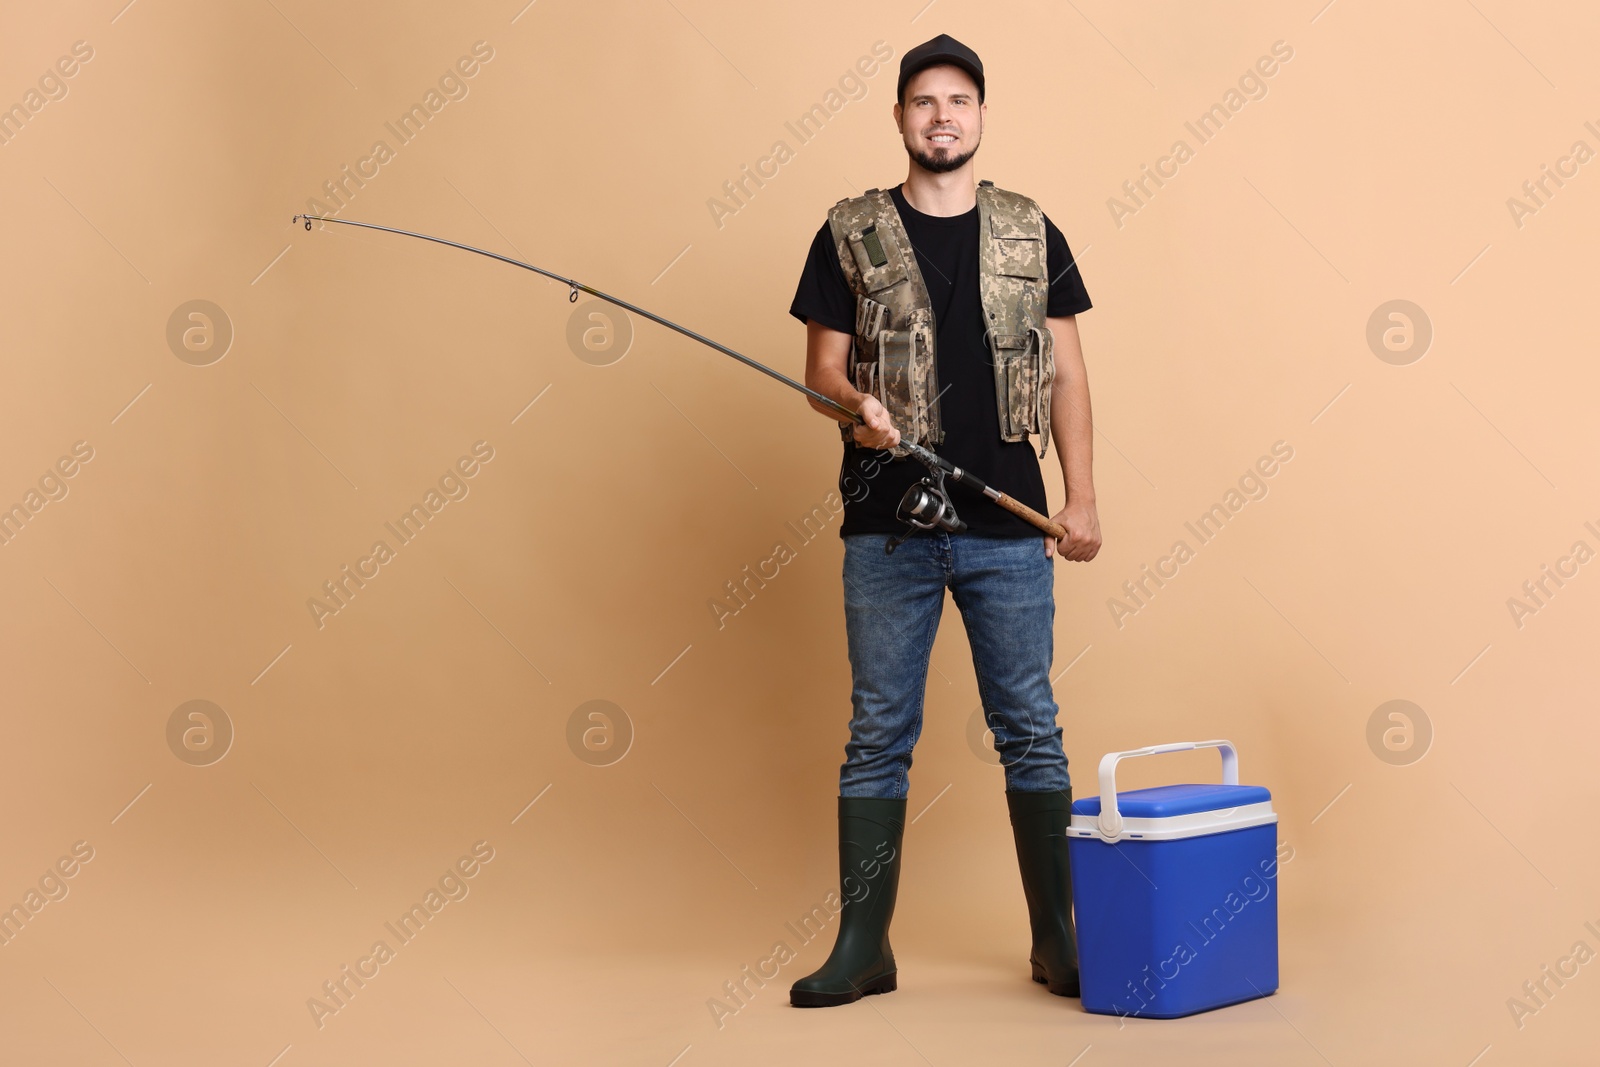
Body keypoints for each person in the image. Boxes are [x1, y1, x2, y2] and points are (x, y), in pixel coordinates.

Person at [785, 33, 1101, 1008]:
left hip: (1009, 527)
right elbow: (821, 373)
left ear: (979, 114)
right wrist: (855, 411)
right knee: (878, 730)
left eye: (957, 99)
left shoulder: (1029, 228)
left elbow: (1068, 371)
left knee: (1030, 730)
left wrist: (1081, 494)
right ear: (899, 117)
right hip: (886, 528)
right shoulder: (848, 231)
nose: (941, 115)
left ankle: (1058, 942)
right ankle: (862, 946)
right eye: (923, 100)